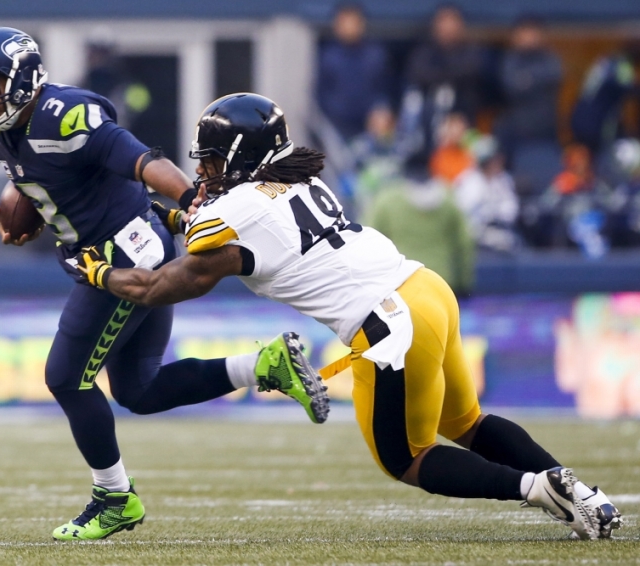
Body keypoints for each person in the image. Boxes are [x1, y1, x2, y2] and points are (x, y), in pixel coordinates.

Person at [72, 92, 623, 540]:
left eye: (212, 161)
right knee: (466, 424)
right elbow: (235, 235)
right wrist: (171, 215)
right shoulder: (298, 179)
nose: (203, 172)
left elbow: (160, 285)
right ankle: (580, 493)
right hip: (426, 290)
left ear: (241, 157)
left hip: (390, 321)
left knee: (404, 457)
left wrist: (96, 271)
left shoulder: (234, 210)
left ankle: (534, 488)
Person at [0, 28, 329, 541]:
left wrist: (192, 198)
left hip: (124, 253)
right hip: (120, 244)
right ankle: (264, 365)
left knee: (65, 378)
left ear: (22, 76)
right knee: (140, 388)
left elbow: (140, 160)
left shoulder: (64, 114)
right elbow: (39, 173)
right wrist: (31, 202)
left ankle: (113, 498)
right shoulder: (6, 125)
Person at [368, 167, 475, 296]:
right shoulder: (449, 200)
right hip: (440, 281)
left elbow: (369, 242)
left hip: (401, 282)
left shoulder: (387, 200)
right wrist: (463, 284)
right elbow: (464, 244)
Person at [405, 4, 484, 152]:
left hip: (464, 121)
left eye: (452, 21)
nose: (448, 27)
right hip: (428, 125)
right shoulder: (424, 51)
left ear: (461, 25)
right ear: (435, 25)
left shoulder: (472, 51)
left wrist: (441, 76)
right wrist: (449, 76)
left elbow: (470, 72)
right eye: (443, 21)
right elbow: (419, 74)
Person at [316, 2, 390, 142]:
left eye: (353, 21)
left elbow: (385, 89)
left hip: (370, 127)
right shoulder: (328, 56)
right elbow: (320, 95)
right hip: (336, 128)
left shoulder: (376, 55)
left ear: (362, 23)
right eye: (344, 21)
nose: (349, 26)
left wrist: (381, 109)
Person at [495, 16, 563, 156]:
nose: (529, 37)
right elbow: (511, 85)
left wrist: (527, 79)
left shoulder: (549, 59)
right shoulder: (510, 60)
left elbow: (554, 75)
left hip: (546, 130)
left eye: (532, 32)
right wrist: (534, 82)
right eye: (524, 32)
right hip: (517, 132)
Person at [453, 136, 520, 252]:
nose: (499, 161)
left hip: (499, 230)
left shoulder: (504, 179)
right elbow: (462, 213)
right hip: (473, 234)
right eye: (494, 159)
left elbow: (511, 209)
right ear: (485, 161)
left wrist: (495, 215)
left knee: (514, 243)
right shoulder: (468, 180)